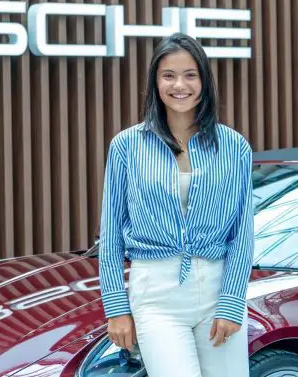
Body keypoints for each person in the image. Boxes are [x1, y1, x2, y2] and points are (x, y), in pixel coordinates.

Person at [98, 33, 254, 377]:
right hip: (156, 295)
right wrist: (116, 308)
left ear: (204, 81)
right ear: (155, 82)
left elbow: (242, 233)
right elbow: (110, 235)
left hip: (217, 289)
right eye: (168, 75)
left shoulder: (235, 147)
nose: (179, 85)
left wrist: (232, 301)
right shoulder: (126, 146)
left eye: (190, 75)